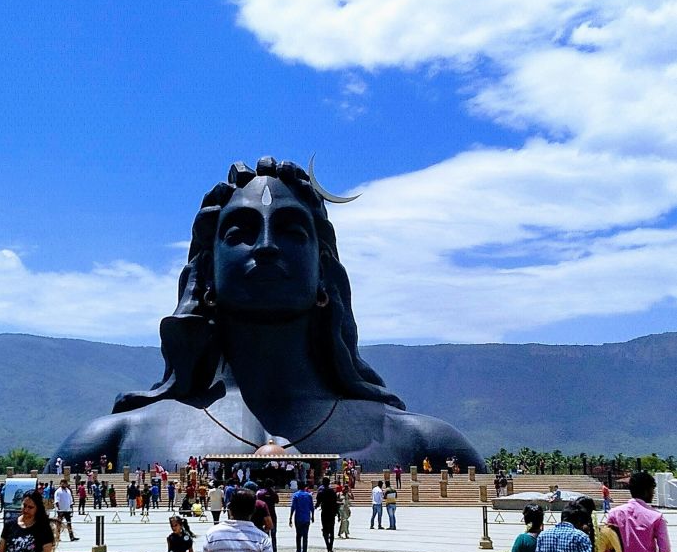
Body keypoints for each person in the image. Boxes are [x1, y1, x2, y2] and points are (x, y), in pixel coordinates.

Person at [54, 158, 483, 474]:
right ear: (206, 274)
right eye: (239, 231)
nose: (265, 246)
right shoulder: (111, 440)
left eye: (291, 230)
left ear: (323, 273)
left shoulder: (420, 441)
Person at [289, 482, 314, 552]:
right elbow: (312, 507)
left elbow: (293, 507)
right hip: (306, 517)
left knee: (298, 535)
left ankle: (298, 551)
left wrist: (290, 518)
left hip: (298, 517)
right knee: (305, 535)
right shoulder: (309, 495)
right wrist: (312, 516)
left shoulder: (296, 495)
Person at [256, 479, 280, 552]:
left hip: (262, 516)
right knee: (273, 535)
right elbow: (277, 502)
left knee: (263, 536)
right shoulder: (274, 494)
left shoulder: (260, 493)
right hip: (272, 515)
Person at [315, 476, 339, 552]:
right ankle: (330, 547)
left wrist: (313, 508)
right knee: (331, 531)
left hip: (324, 512)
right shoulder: (332, 492)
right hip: (331, 513)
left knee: (325, 530)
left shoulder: (321, 492)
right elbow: (336, 503)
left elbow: (318, 503)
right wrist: (337, 513)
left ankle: (328, 546)